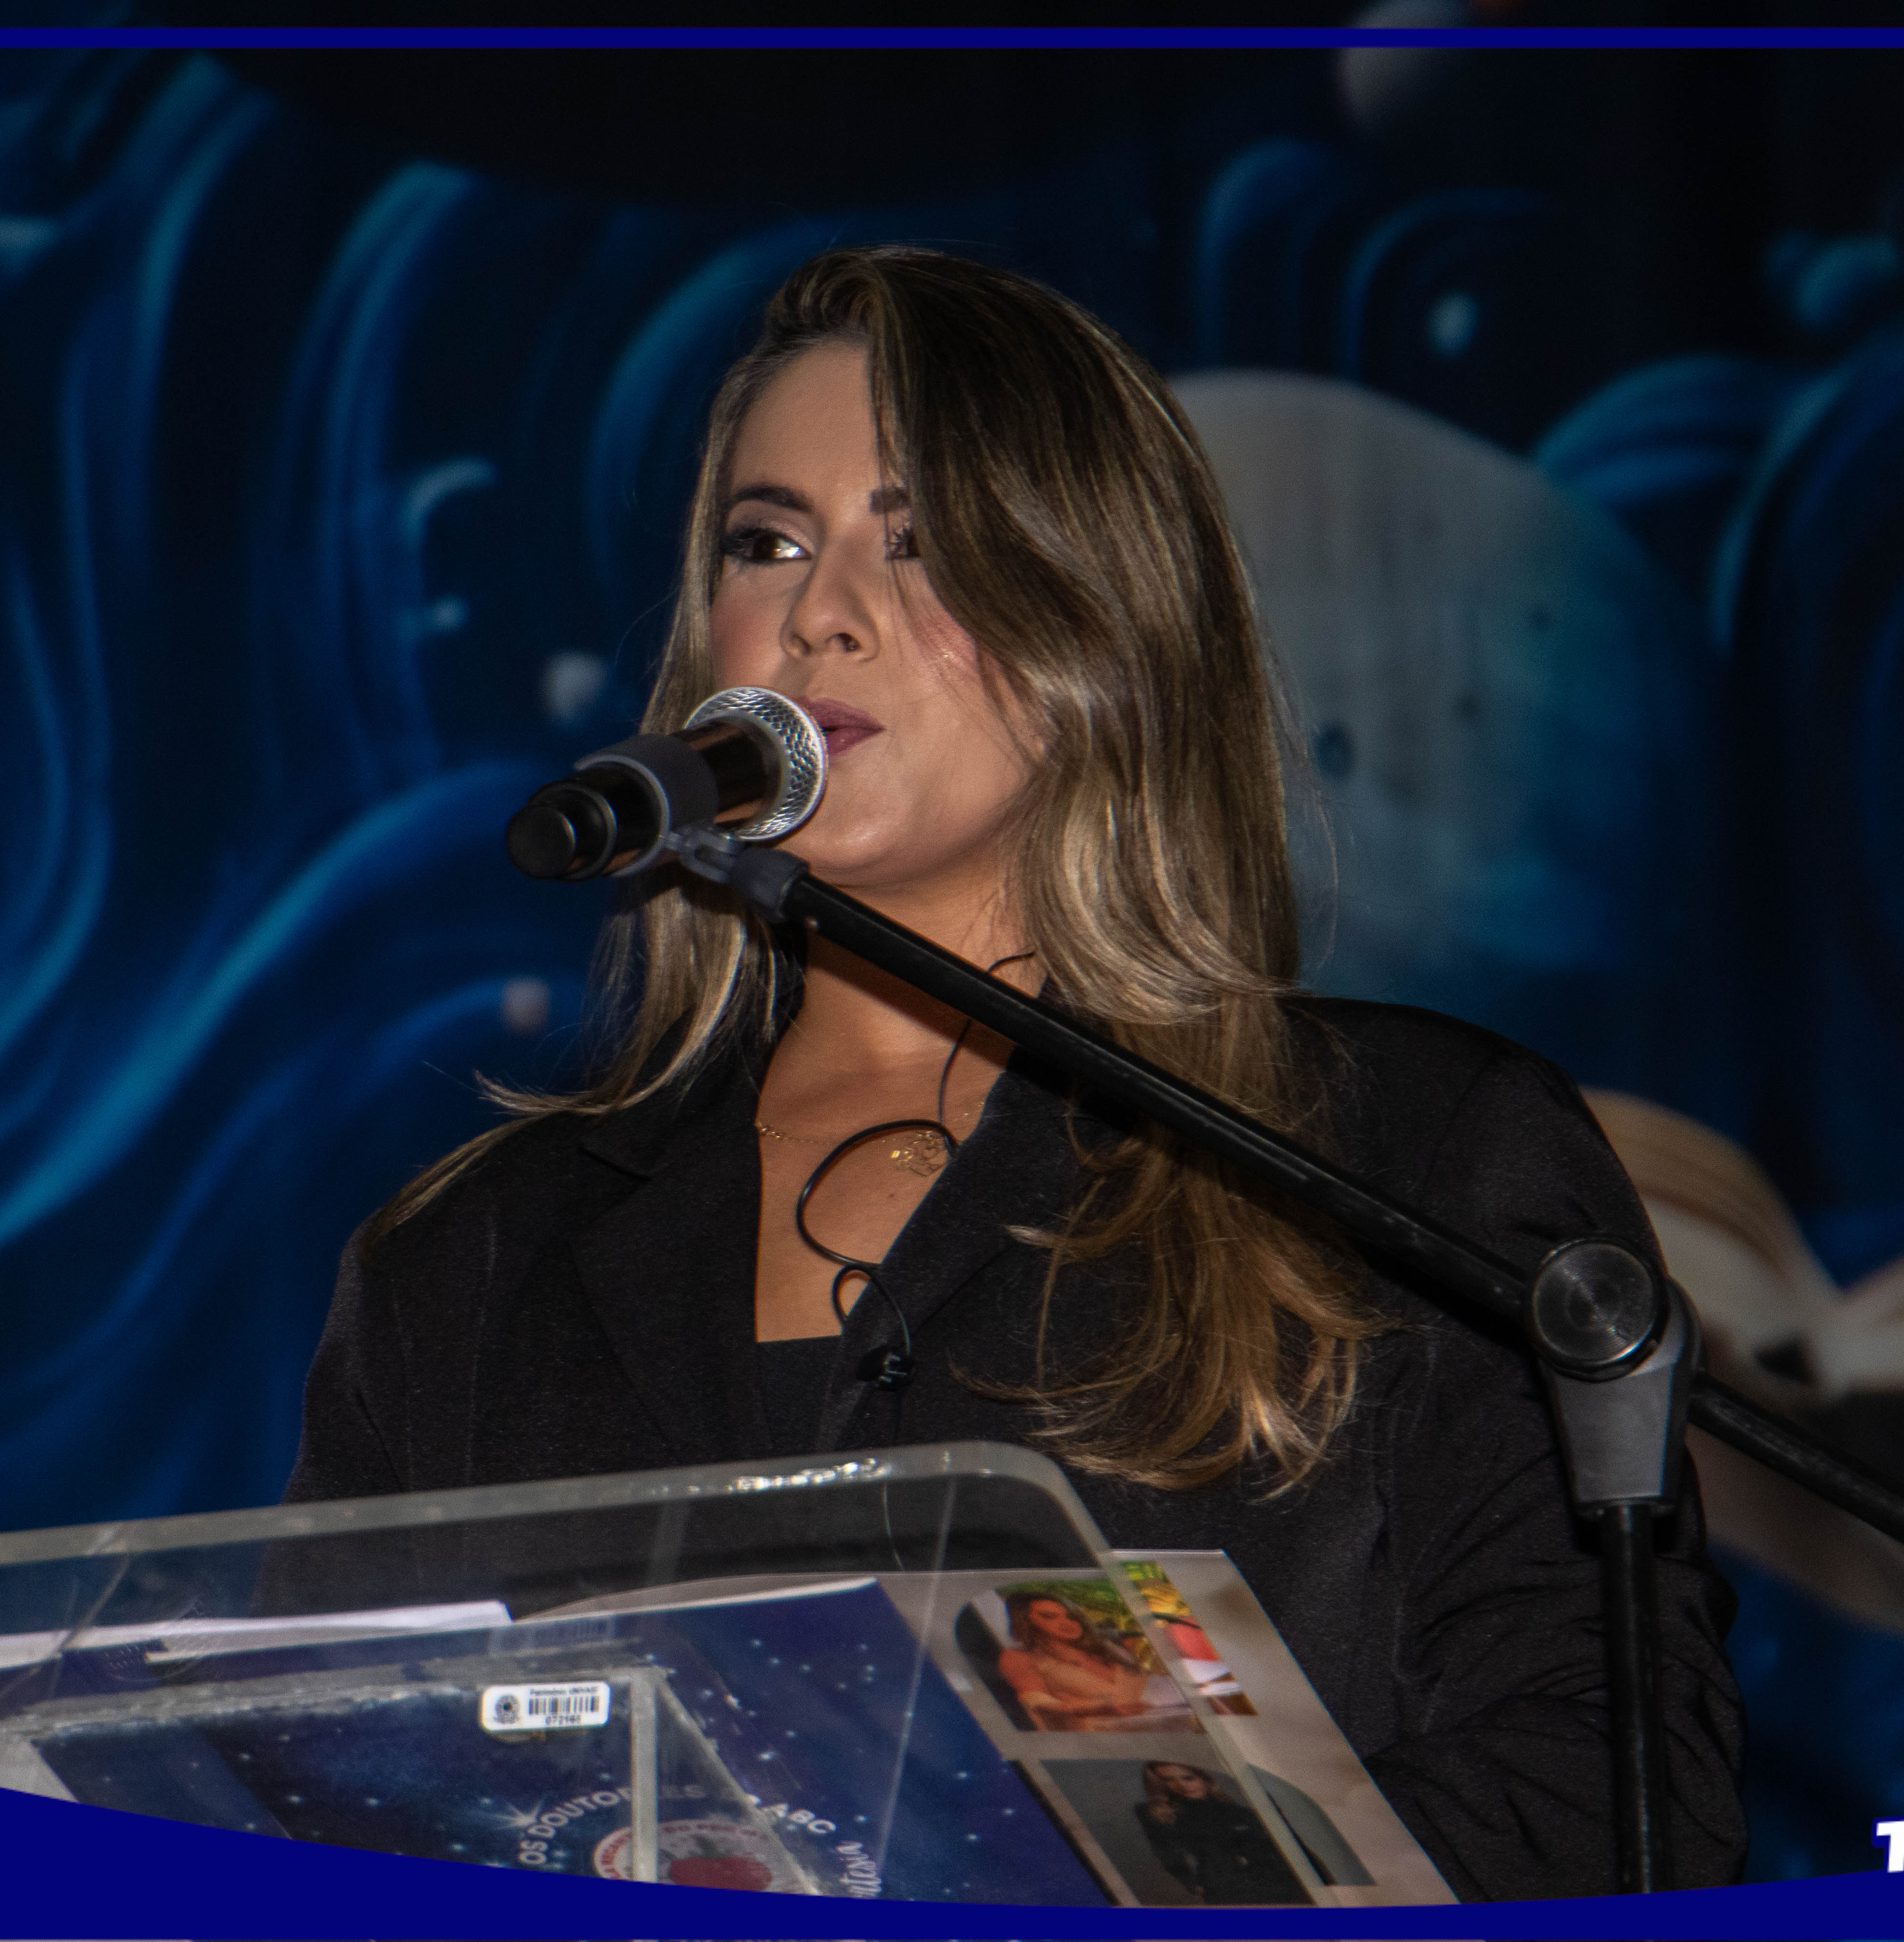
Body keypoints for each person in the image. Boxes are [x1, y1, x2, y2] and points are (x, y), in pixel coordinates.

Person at [284, 246, 1746, 1899]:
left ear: (1108, 620)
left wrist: (1095, 1883)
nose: (820, 613)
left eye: (918, 543)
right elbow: (305, 1815)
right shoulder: (472, 1264)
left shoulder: (1406, 1163)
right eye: (768, 543)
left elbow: (1617, 1788)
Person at [995, 1590, 1172, 1730]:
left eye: (1069, 1616)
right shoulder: (1019, 1657)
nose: (1067, 1623)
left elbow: (1152, 1684)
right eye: (1050, 1617)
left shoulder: (1106, 1648)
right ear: (1025, 1622)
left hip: (1160, 1725)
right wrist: (1098, 1709)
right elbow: (1037, 1703)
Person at [1135, 1763, 1311, 1904]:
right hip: (1228, 1891)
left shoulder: (1241, 1811)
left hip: (1282, 1885)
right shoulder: (1164, 1816)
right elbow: (1166, 1853)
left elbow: (1286, 1848)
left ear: (1205, 1778)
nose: (1181, 1786)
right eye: (1168, 1780)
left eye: (1189, 1778)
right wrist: (1192, 1884)